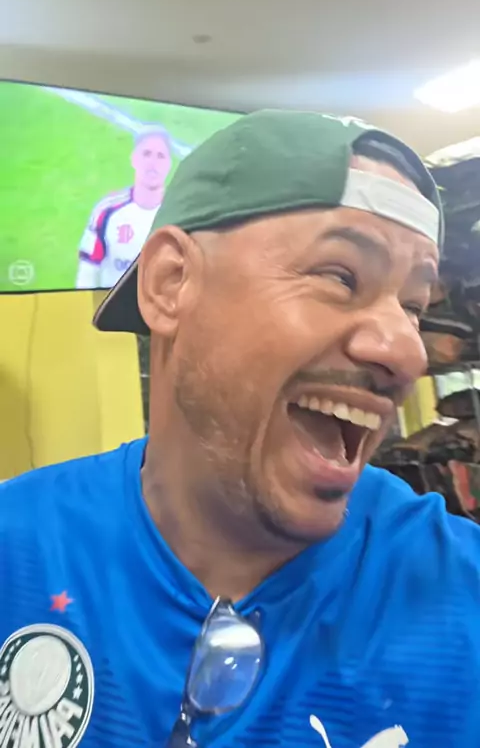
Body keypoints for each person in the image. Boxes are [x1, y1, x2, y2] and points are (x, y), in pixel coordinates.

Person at [1, 110, 479, 748]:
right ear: (171, 282)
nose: (408, 351)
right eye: (340, 276)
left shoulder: (458, 598)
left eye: (413, 307)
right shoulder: (18, 552)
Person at [75, 128, 172, 290]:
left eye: (160, 156)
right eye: (146, 154)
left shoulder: (179, 213)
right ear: (134, 159)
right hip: (116, 304)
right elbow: (87, 273)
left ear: (169, 164)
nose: (153, 163)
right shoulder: (107, 210)